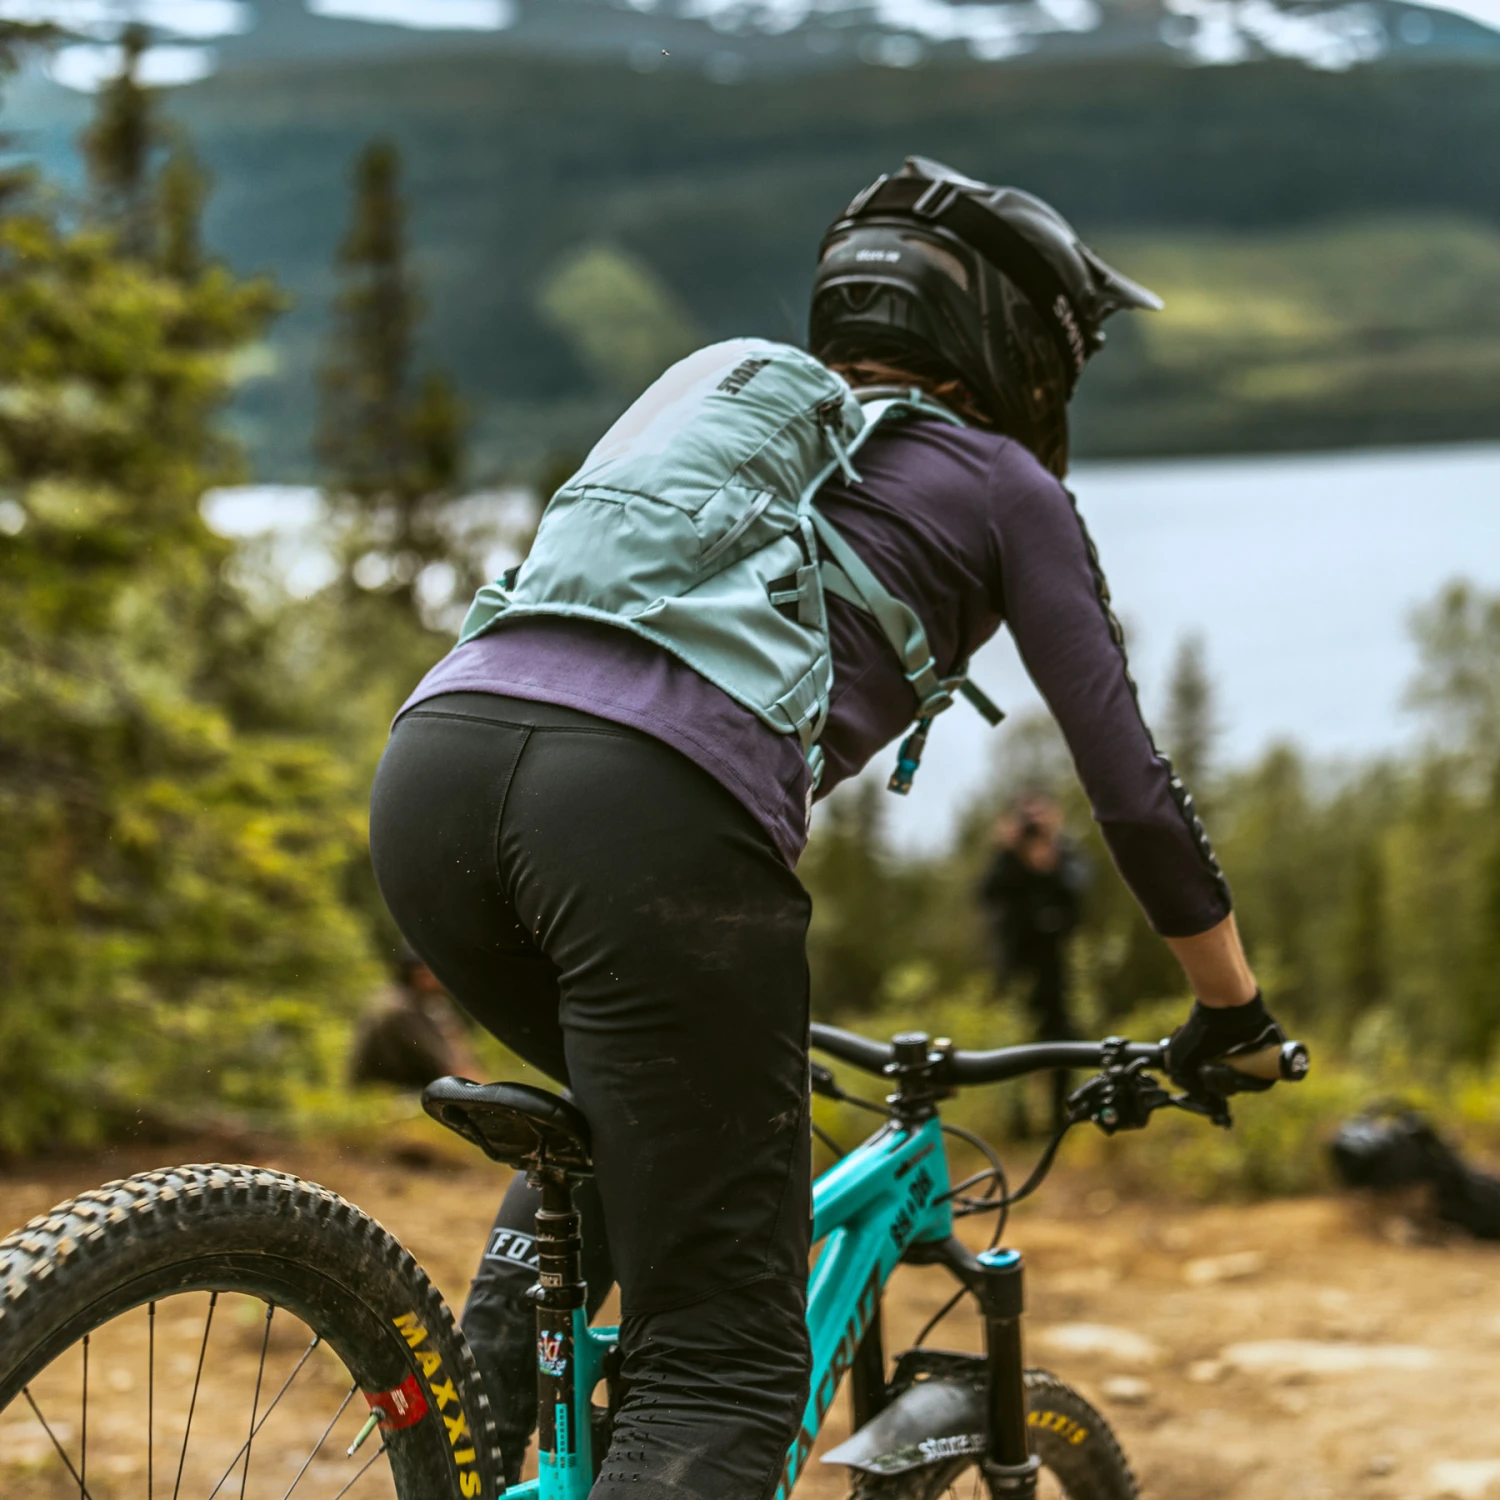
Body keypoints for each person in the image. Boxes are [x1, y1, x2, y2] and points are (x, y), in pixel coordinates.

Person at [368, 156, 1286, 1500]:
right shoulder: (1001, 481)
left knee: (647, 1119)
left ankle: (478, 1439)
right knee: (725, 1367)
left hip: (434, 768)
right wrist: (1232, 1011)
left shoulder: (738, 417)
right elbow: (1132, 791)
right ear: (1024, 348)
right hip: (639, 815)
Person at [979, 791, 1090, 1136]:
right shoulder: (1006, 860)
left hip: (1056, 969)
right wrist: (1008, 853)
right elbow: (986, 893)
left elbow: (1081, 891)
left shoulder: (1064, 855)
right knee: (1014, 1043)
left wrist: (1049, 865)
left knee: (1063, 1041)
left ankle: (1061, 1116)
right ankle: (1018, 1124)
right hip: (1016, 968)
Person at [349, 944, 479, 1091]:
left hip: (404, 1092)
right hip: (385, 1094)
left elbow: (461, 1058)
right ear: (419, 974)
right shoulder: (399, 1008)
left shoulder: (430, 1004)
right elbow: (451, 1068)